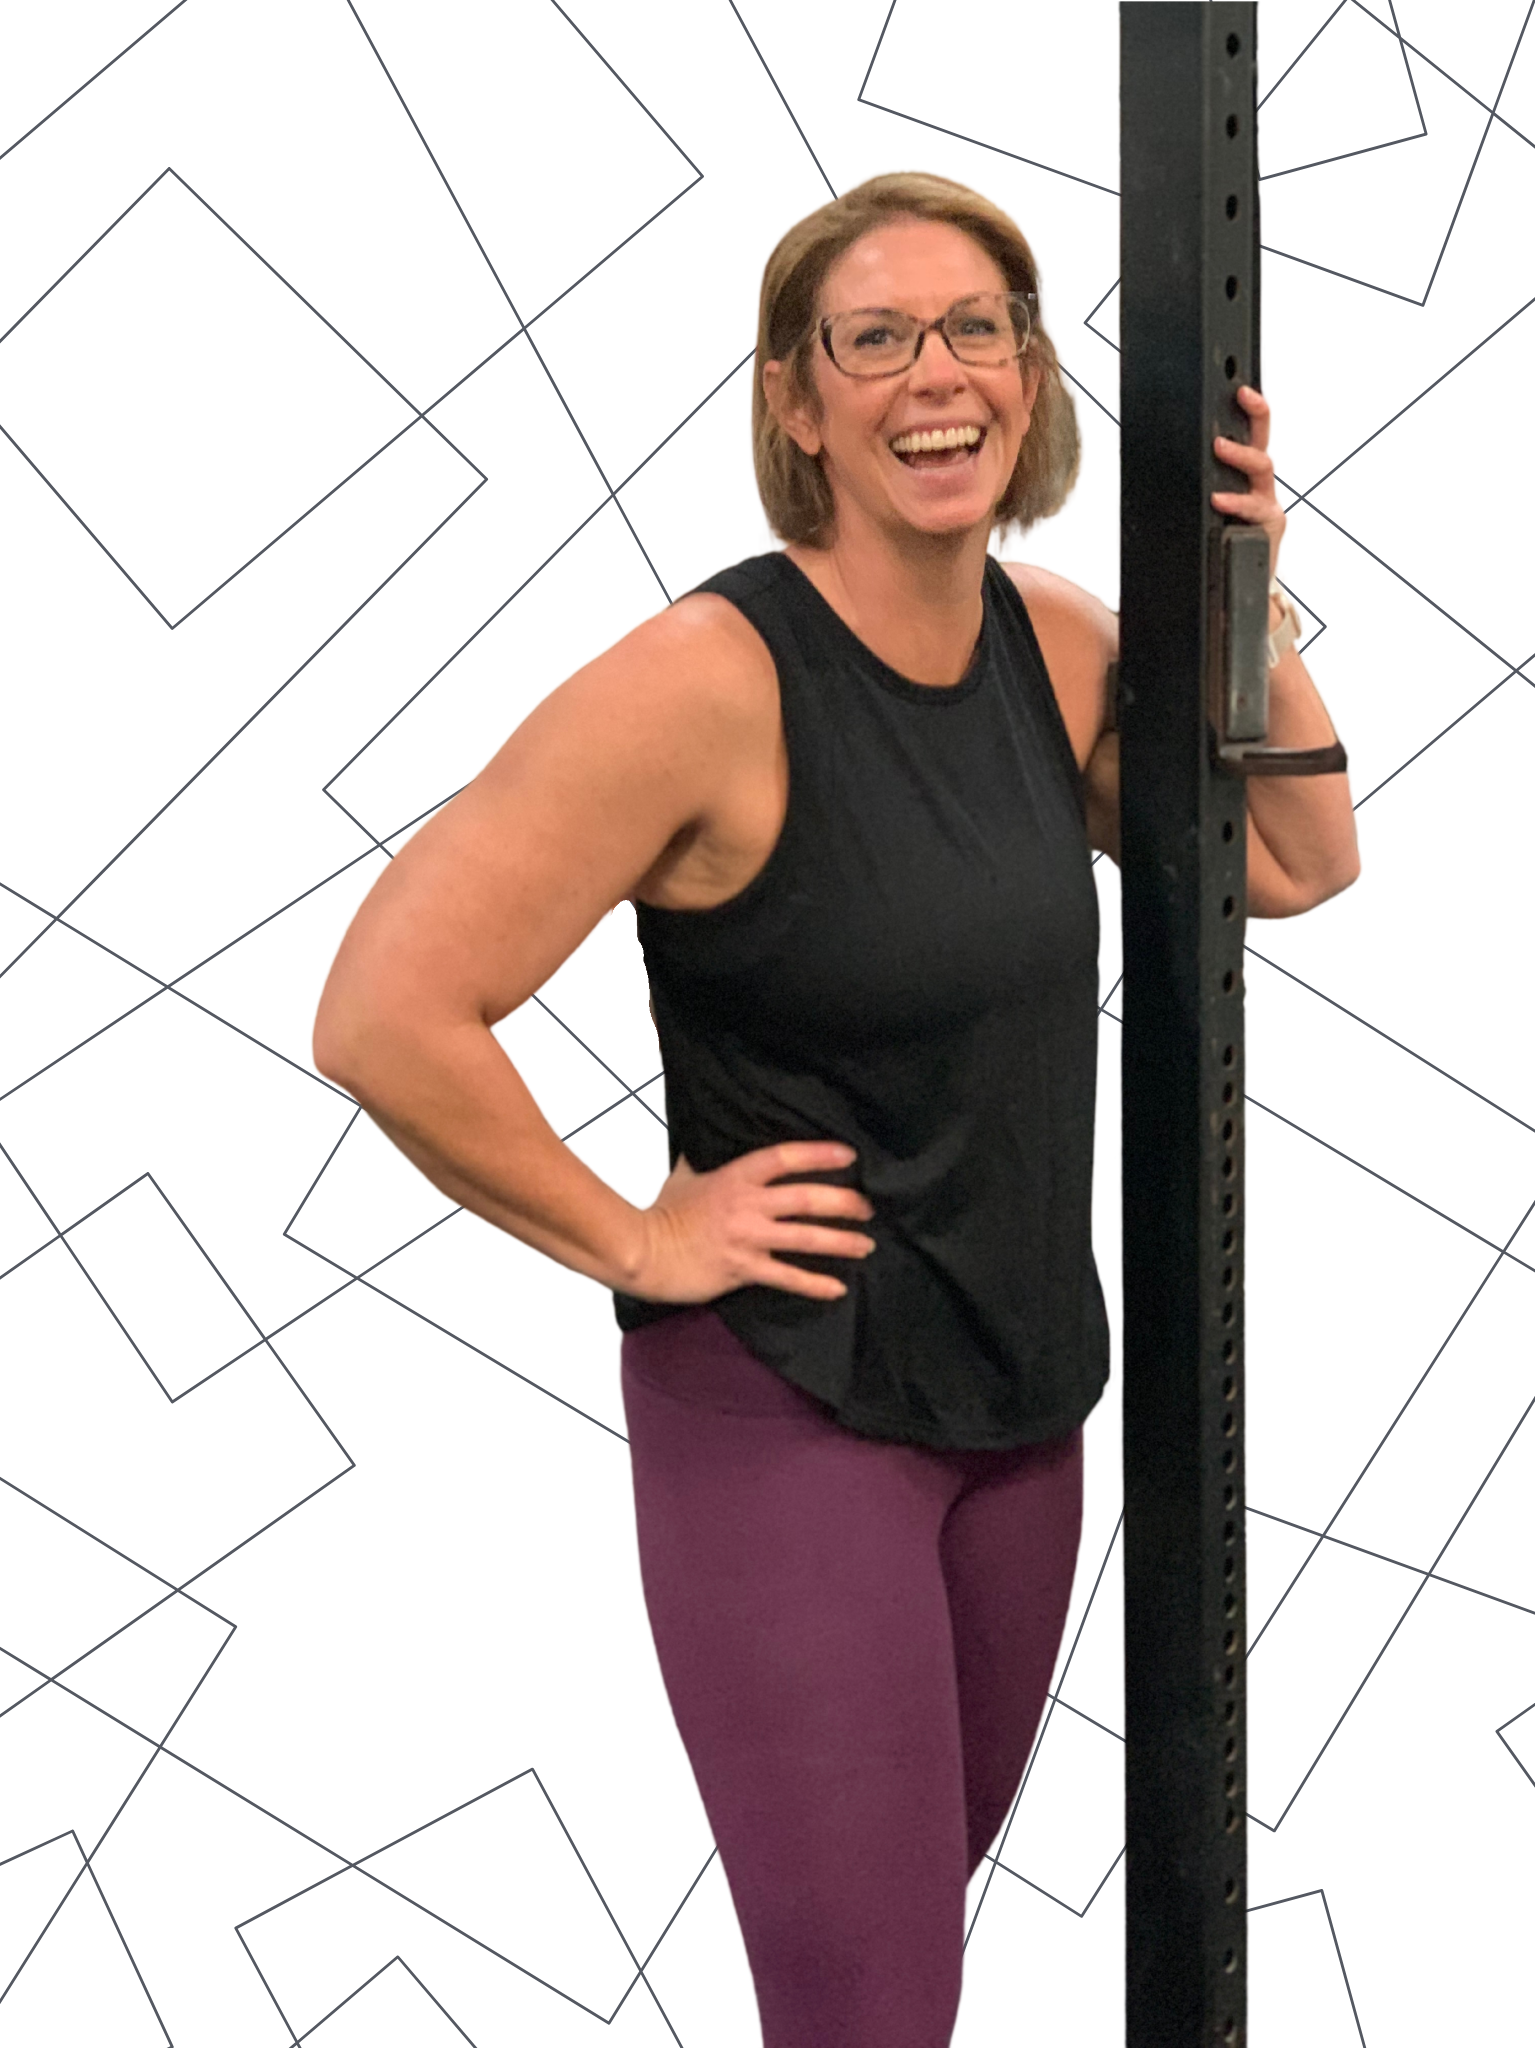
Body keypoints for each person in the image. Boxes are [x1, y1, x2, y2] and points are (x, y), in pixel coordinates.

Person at [313, 171, 1359, 2048]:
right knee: (870, 2013)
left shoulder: (1047, 644)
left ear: (1030, 382)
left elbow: (1289, 855)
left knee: (898, 1966)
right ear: (797, 401)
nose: (932, 378)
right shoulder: (703, 684)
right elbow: (386, 1011)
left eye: (976, 332)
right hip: (787, 1414)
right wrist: (638, 1233)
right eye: (873, 341)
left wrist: (1242, 588)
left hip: (1022, 1403)